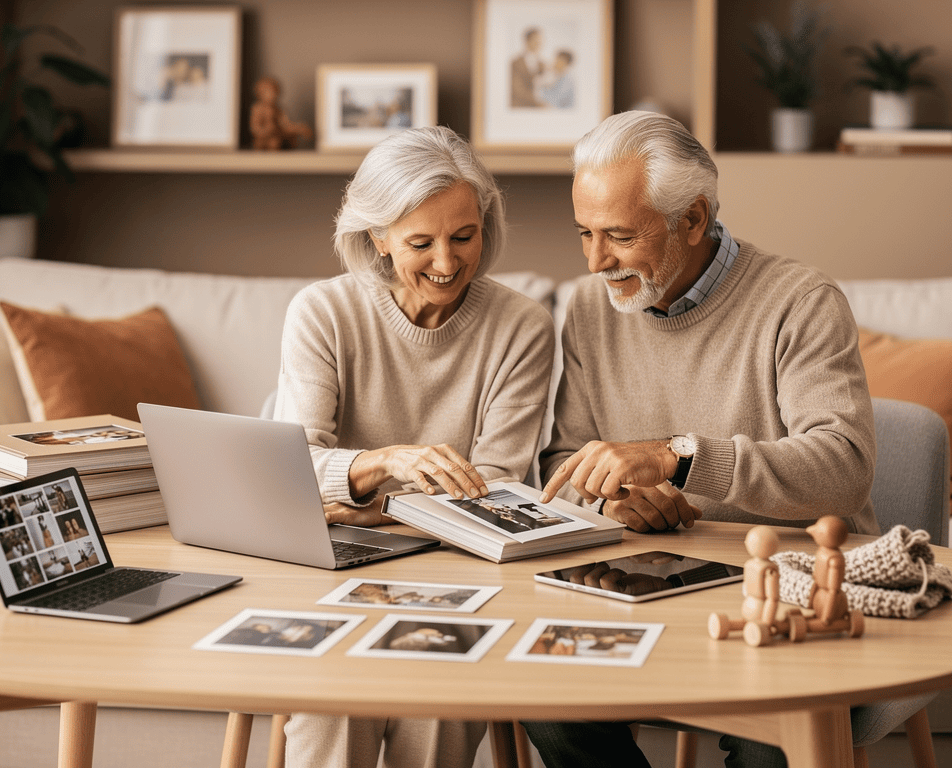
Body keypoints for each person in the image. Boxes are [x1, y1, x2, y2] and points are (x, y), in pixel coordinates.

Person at [520, 110, 880, 768]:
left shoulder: (800, 302)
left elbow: (845, 467)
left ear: (692, 218)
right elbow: (562, 461)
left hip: (787, 596)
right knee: (549, 703)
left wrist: (678, 458)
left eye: (619, 236)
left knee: (769, 745)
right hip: (645, 595)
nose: (597, 261)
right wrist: (612, 501)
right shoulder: (589, 308)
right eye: (584, 234)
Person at [274, 125, 555, 768]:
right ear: (378, 238)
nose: (448, 264)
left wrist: (357, 499)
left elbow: (497, 490)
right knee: (329, 706)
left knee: (437, 704)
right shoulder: (322, 313)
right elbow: (289, 473)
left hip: (456, 573)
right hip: (333, 566)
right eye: (420, 243)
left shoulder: (522, 327)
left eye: (465, 236)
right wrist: (388, 460)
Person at [510, 27, 546, 107]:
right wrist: (538, 103)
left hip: (538, 110)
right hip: (519, 107)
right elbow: (517, 90)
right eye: (536, 40)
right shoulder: (515, 63)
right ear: (527, 41)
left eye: (540, 40)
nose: (539, 43)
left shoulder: (543, 64)